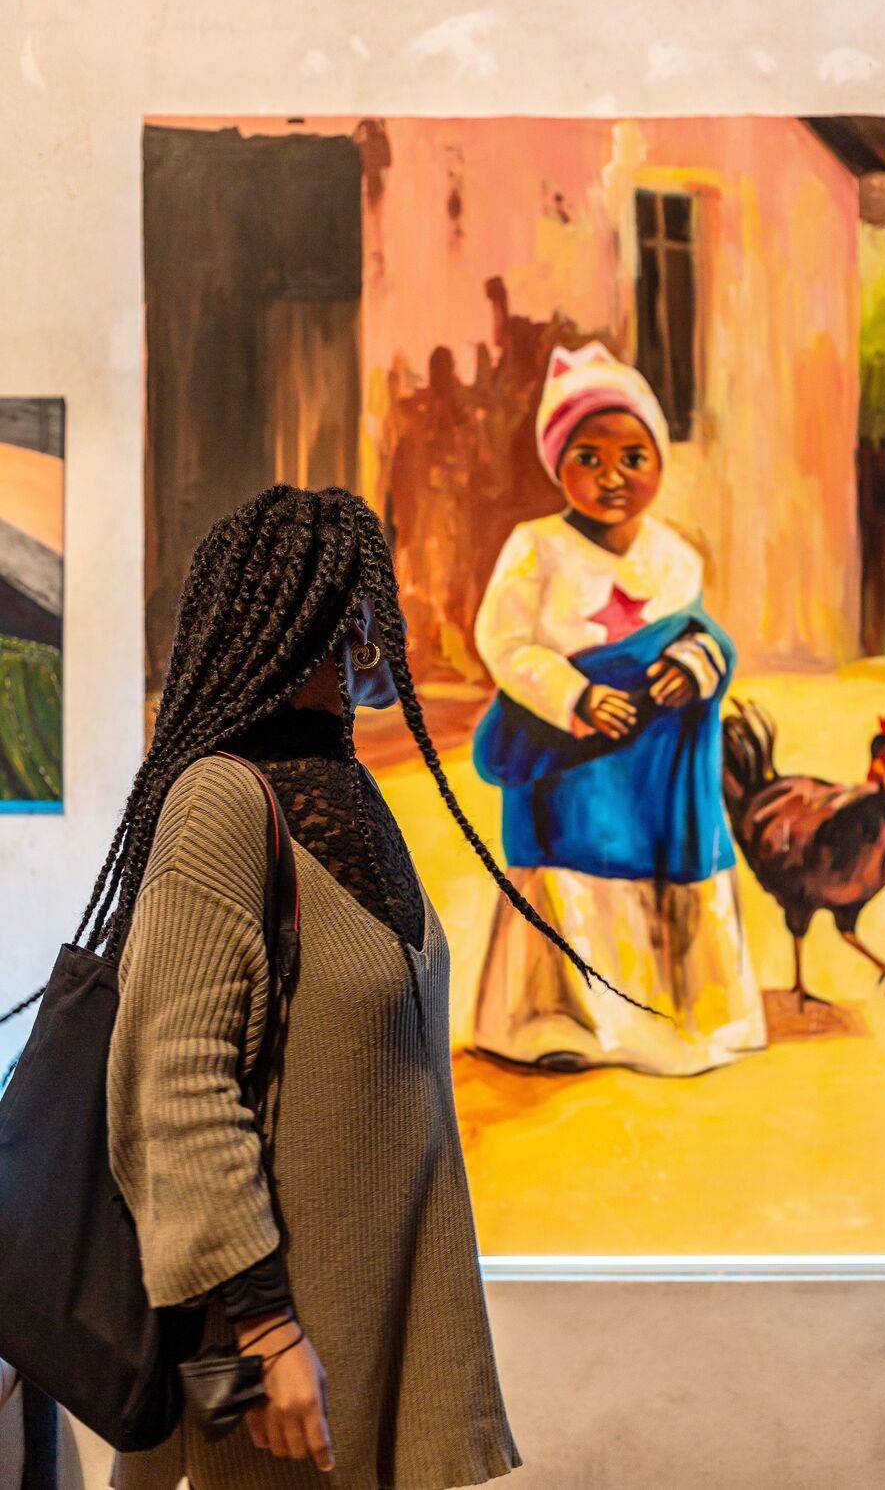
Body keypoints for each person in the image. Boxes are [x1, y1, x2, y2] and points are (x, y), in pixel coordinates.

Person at [62, 482, 661, 1490]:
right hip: (272, 1375)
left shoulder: (348, 798)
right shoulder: (220, 802)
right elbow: (177, 1087)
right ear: (313, 624)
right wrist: (265, 1332)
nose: (383, 628)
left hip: (364, 1339)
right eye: (361, 603)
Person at [470, 341, 767, 1076]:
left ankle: (683, 1017)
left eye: (634, 457)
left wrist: (694, 665)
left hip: (657, 768)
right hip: (574, 761)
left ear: (660, 461)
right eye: (589, 458)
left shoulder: (674, 557)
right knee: (573, 863)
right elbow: (503, 643)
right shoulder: (535, 549)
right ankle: (565, 1023)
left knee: (659, 861)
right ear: (557, 464)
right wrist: (575, 695)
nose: (612, 477)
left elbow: (697, 634)